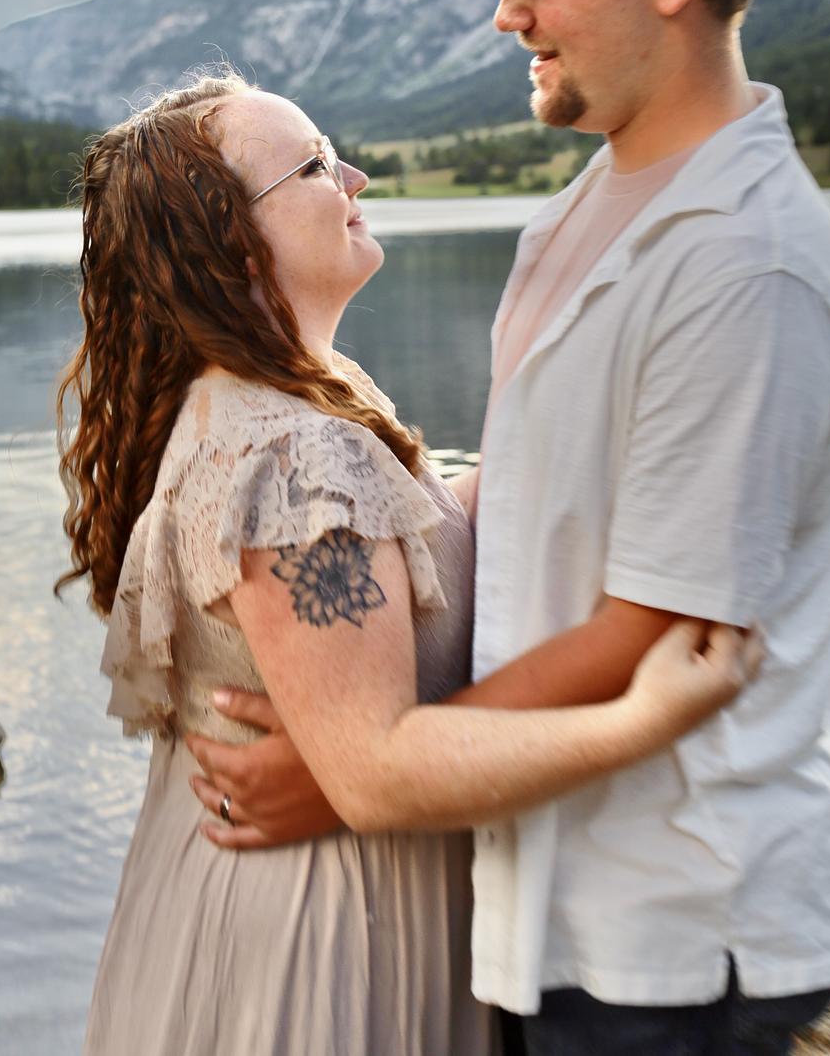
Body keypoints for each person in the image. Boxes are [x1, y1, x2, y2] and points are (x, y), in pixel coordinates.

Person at [188, 0, 830, 1055]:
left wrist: (355, 775)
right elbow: (545, 488)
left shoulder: (743, 262)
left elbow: (654, 630)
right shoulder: (586, 211)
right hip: (558, 900)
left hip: (677, 930)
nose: (506, 15)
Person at [56, 71, 753, 1056]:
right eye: (314, 167)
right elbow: (375, 774)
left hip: (266, 909)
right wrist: (646, 719)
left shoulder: (283, 399)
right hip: (318, 954)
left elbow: (407, 531)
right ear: (233, 246)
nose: (356, 178)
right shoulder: (294, 458)